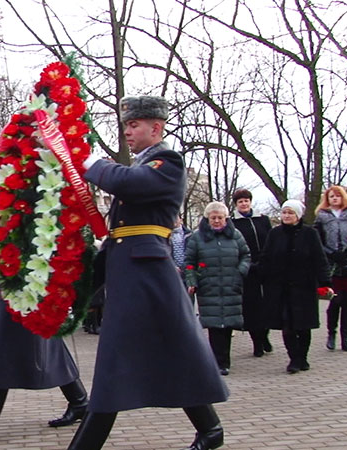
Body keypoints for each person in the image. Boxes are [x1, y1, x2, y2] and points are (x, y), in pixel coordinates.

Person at [67, 95, 229, 450]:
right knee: (172, 351)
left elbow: (128, 183)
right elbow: (119, 228)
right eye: (125, 124)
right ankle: (210, 429)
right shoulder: (142, 165)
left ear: (156, 127)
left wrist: (90, 162)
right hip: (133, 271)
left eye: (133, 124)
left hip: (147, 273)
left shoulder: (166, 162)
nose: (127, 131)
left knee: (117, 360)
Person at [0, 200, 89, 441]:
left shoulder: (26, 189)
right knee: (47, 343)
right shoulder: (0, 187)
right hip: (15, 278)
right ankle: (79, 401)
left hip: (27, 279)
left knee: (8, 347)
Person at [260, 200, 333, 374]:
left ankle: (303, 357)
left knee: (303, 325)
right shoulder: (275, 234)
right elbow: (266, 257)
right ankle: (293, 358)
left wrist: (325, 283)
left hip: (304, 287)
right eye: (284, 212)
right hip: (280, 287)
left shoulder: (310, 234)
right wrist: (262, 275)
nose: (286, 216)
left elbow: (319, 259)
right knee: (287, 325)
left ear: (298, 216)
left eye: (290, 213)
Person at [185, 201, 250, 376]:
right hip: (209, 286)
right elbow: (189, 262)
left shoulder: (235, 235)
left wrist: (240, 272)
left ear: (226, 218)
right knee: (214, 325)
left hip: (231, 285)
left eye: (220, 218)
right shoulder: (197, 238)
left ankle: (225, 361)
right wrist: (192, 280)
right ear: (207, 219)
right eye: (213, 218)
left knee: (227, 324)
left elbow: (246, 255)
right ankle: (216, 361)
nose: (216, 221)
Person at [313, 185, 347, 352]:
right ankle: (331, 334)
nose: (334, 199)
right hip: (332, 265)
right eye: (331, 196)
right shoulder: (322, 217)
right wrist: (330, 253)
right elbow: (317, 240)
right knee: (335, 301)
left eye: (337, 196)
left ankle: (346, 338)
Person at [230, 188, 274, 357]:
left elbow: (270, 241)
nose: (244, 204)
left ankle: (265, 335)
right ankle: (256, 340)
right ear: (236, 204)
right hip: (246, 268)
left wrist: (266, 261)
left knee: (268, 303)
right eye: (240, 201)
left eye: (246, 200)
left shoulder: (262, 220)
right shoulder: (233, 223)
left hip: (265, 267)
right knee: (251, 306)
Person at [170, 214, 193, 288]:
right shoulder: (164, 236)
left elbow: (191, 253)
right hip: (171, 271)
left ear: (181, 220)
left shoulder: (190, 235)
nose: (174, 220)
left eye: (176, 218)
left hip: (187, 272)